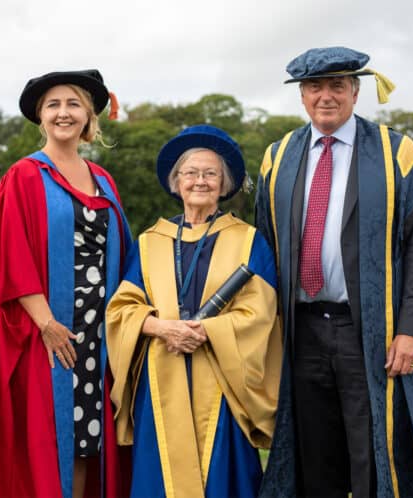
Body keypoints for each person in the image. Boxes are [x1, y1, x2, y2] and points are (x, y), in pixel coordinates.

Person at [255, 47, 413, 498]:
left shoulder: (395, 152)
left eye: (337, 86)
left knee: (373, 450)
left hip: (370, 331)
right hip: (301, 331)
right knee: (313, 454)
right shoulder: (277, 156)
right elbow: (263, 246)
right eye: (315, 87)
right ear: (302, 95)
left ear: (355, 92)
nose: (326, 96)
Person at [0, 69, 132, 498]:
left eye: (73, 103)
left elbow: (123, 254)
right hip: (51, 336)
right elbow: (12, 255)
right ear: (41, 117)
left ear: (89, 115)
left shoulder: (103, 180)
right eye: (53, 105)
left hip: (99, 337)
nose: (64, 113)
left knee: (86, 441)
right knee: (49, 438)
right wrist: (46, 323)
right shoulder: (25, 176)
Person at [106, 124, 282, 498]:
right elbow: (123, 308)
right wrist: (160, 328)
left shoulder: (248, 240)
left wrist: (206, 332)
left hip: (221, 377)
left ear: (225, 183)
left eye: (210, 173)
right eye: (191, 173)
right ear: (176, 182)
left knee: (222, 475)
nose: (200, 181)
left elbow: (261, 312)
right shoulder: (150, 241)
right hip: (161, 373)